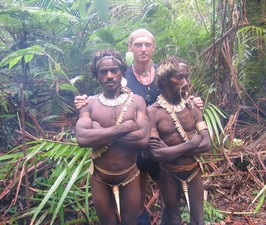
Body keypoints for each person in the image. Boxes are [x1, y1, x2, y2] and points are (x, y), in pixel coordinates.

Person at [74, 28, 204, 225]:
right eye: (138, 45)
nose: (143, 49)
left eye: (147, 44)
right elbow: (105, 99)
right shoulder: (121, 73)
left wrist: (192, 101)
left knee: (169, 198)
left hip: (161, 143)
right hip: (132, 152)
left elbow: (180, 90)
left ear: (154, 47)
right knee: (136, 201)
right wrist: (86, 104)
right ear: (130, 48)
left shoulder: (164, 72)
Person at [75, 48, 149, 225]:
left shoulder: (136, 101)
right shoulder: (89, 103)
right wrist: (123, 128)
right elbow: (83, 139)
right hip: (100, 177)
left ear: (121, 72)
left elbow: (142, 139)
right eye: (103, 72)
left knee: (130, 222)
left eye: (114, 70)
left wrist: (98, 131)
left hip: (130, 174)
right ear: (97, 75)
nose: (109, 75)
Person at [147, 56, 211, 225]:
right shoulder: (153, 112)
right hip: (168, 173)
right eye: (179, 77)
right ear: (165, 80)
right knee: (173, 218)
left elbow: (207, 143)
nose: (184, 82)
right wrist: (190, 143)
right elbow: (156, 153)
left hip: (193, 171)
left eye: (186, 77)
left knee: (198, 219)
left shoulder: (193, 107)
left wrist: (170, 151)